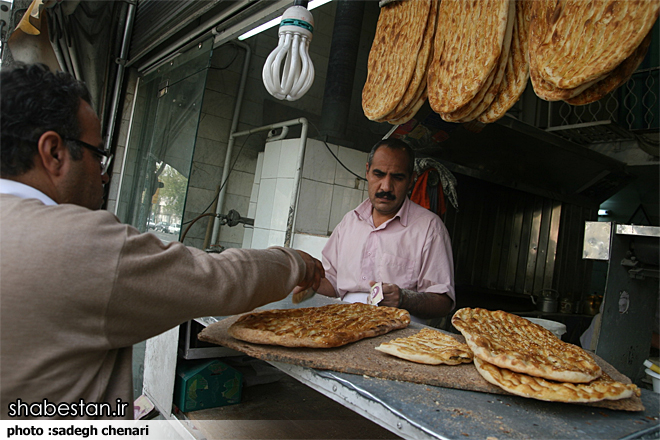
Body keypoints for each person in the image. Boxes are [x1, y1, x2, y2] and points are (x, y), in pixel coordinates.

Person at [0, 63, 324, 420]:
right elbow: (218, 279)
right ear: (54, 152)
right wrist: (295, 261)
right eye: (97, 155)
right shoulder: (73, 242)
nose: (104, 174)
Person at [317, 139, 455, 322]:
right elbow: (331, 282)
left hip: (400, 337)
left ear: (411, 180)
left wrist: (405, 298)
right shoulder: (349, 222)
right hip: (345, 324)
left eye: (397, 177)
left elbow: (443, 303)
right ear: (367, 171)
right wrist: (305, 280)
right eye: (378, 174)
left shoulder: (430, 228)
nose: (386, 187)